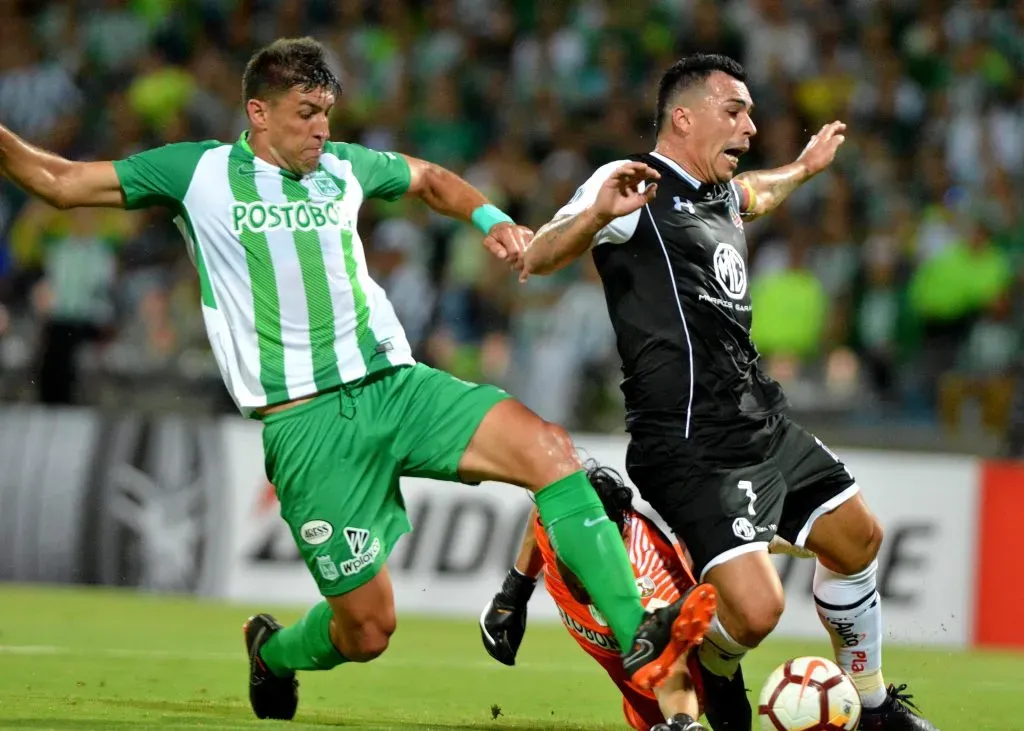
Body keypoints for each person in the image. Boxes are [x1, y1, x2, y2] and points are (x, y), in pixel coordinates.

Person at [0, 37, 701, 721]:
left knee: (550, 450)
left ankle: (644, 643)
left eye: (327, 112)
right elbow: (58, 182)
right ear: (258, 112)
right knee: (367, 631)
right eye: (306, 113)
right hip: (305, 425)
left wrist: (491, 219)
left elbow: (429, 178)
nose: (322, 129)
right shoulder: (197, 172)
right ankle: (273, 653)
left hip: (397, 387)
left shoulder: (342, 167)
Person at [511, 53, 938, 731]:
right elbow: (539, 254)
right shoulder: (634, 182)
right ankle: (699, 659)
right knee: (757, 612)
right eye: (734, 111)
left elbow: (755, 194)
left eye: (750, 113)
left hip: (759, 420)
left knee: (859, 538)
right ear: (684, 118)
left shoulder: (719, 194)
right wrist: (594, 215)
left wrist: (804, 168)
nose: (750, 126)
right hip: (690, 444)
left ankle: (875, 705)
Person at [481, 463, 715, 731]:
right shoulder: (559, 526)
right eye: (575, 556)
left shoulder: (653, 577)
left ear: (620, 538)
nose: (584, 575)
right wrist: (514, 591)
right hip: (634, 692)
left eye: (595, 557)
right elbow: (543, 509)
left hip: (674, 693)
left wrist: (682, 721)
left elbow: (671, 665)